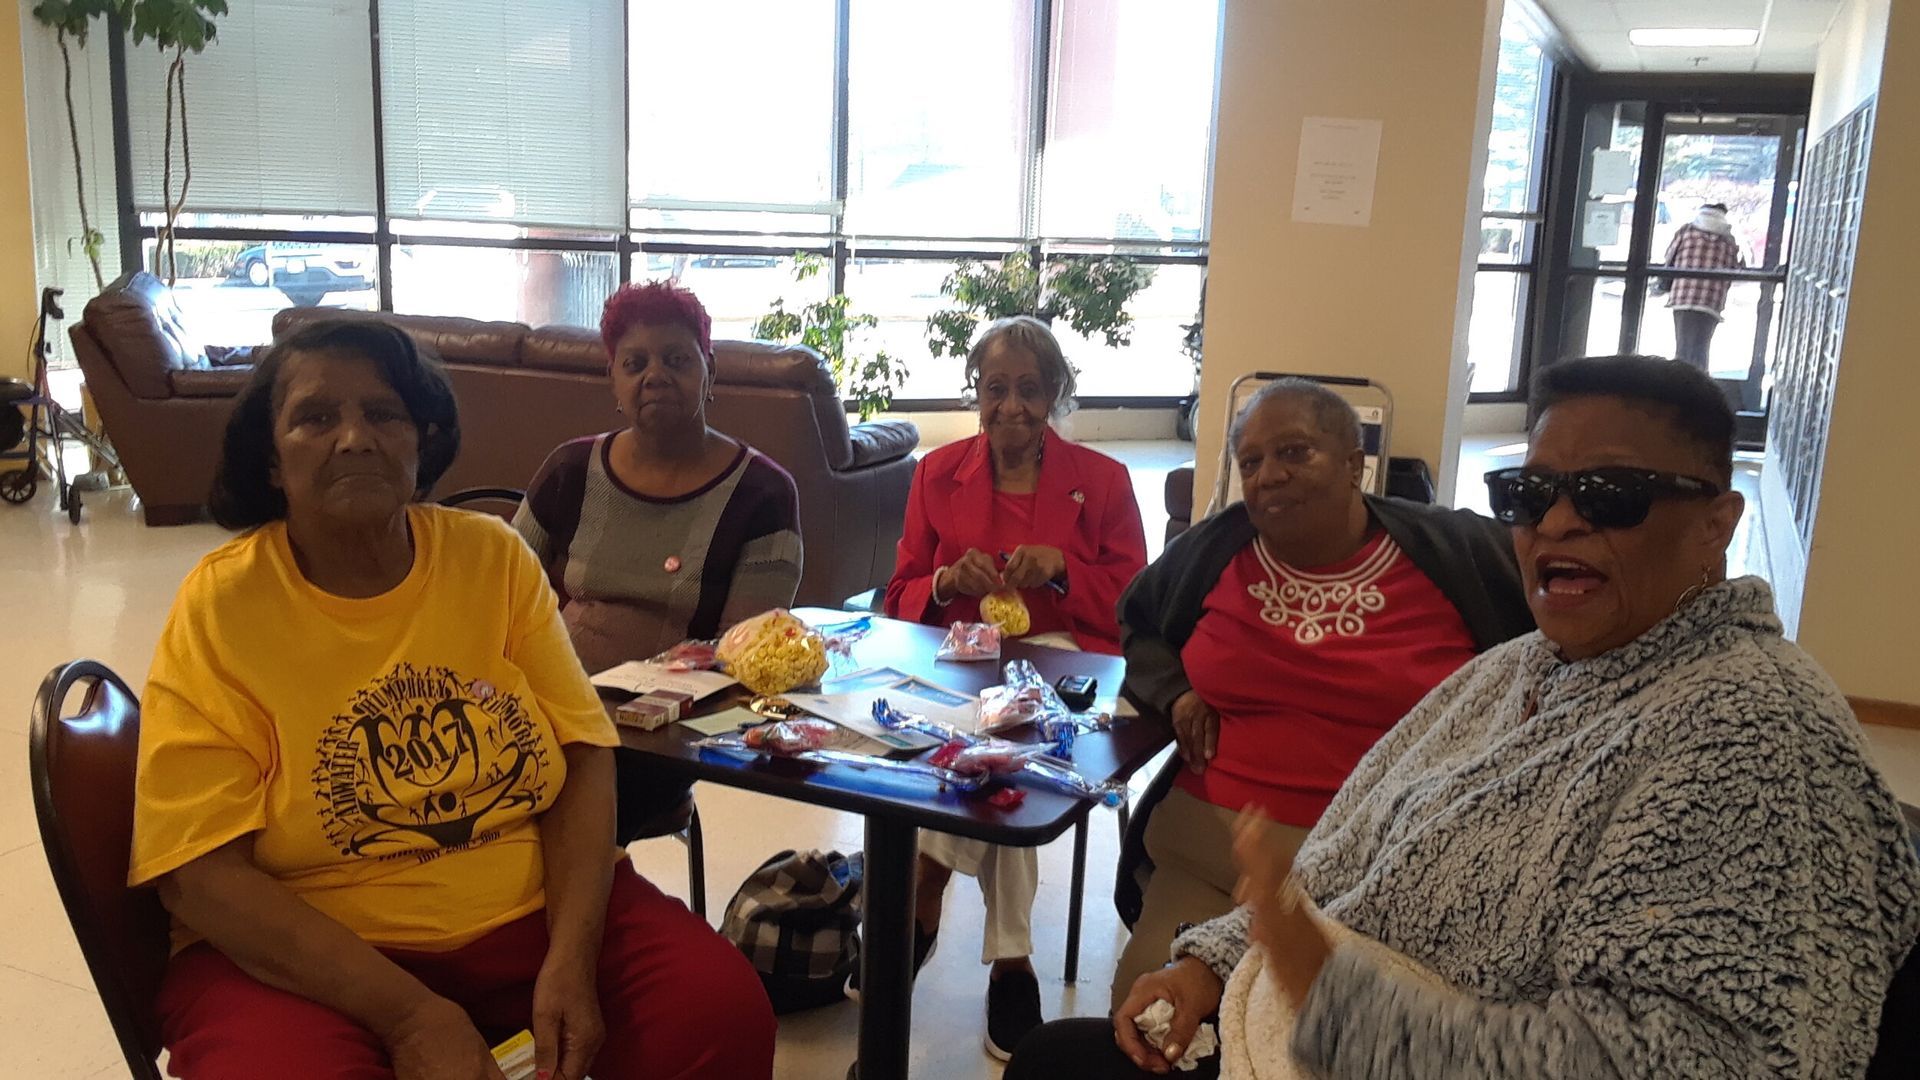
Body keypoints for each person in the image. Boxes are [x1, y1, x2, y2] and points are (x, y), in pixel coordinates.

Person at [1008, 355, 1920, 1079]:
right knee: (1061, 1053)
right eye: (1529, 495)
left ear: (1719, 522)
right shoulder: (1520, 669)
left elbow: (1694, 1059)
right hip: (1275, 979)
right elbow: (1348, 853)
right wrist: (1210, 960)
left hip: (1345, 1031)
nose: (1556, 524)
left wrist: (1324, 993)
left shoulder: (1751, 739)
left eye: (1609, 496)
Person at [132, 319, 776, 1080]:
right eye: (315, 417)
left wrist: (572, 960)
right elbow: (197, 873)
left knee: (718, 1011)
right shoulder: (223, 603)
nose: (354, 439)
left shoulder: (490, 557)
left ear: (421, 440)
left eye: (384, 414)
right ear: (272, 460)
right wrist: (410, 1015)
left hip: (523, 910)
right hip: (303, 945)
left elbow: (581, 754)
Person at [1106, 379, 1534, 1003]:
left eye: (1295, 452)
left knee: (1317, 1041)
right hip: (1208, 853)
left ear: (1354, 463)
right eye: (1250, 462)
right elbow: (1138, 620)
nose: (1269, 475)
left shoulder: (1454, 552)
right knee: (1144, 1013)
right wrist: (1177, 693)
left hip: (1378, 874)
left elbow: (1567, 621)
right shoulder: (1220, 546)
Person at [882, 314, 1148, 1058]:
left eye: (1029, 389)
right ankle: (1012, 964)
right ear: (976, 394)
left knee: (1006, 735)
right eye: (994, 389)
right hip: (962, 661)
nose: (1011, 407)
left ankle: (924, 890)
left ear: (1057, 392)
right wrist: (941, 581)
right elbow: (897, 593)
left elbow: (1136, 602)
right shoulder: (937, 475)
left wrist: (1063, 570)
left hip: (1068, 667)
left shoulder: (1103, 482)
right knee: (998, 744)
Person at [514, 281, 801, 843]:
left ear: (708, 370)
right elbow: (502, 588)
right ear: (613, 379)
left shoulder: (763, 493)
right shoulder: (569, 469)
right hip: (548, 710)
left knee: (548, 810)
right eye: (634, 363)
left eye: (675, 360)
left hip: (663, 736)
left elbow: (744, 657)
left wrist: (619, 711)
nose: (654, 376)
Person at [1664, 202, 1744, 371]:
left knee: (1683, 348)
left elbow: (1669, 258)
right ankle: (1700, 388)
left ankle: (1678, 387)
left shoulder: (1686, 231)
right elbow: (1736, 270)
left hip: (1683, 296)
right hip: (1711, 301)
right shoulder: (1728, 240)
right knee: (1701, 349)